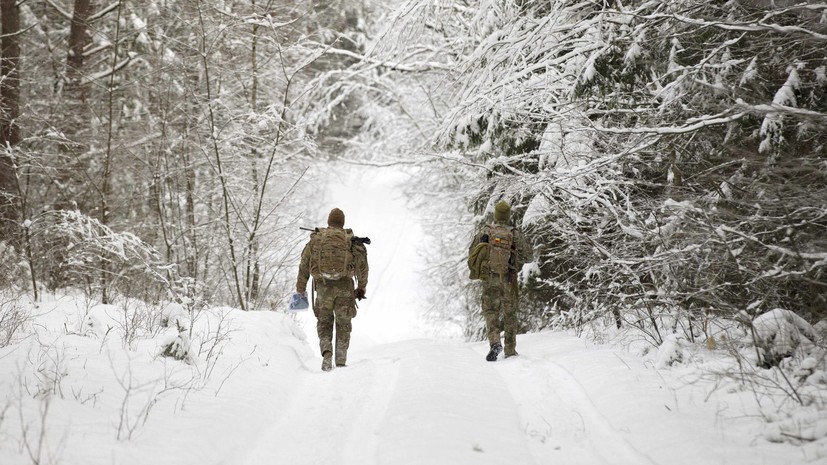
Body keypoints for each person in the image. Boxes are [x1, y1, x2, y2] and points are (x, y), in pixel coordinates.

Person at [296, 208, 369, 371]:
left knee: (324, 322)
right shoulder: (350, 240)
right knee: (343, 324)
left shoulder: (317, 240)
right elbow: (363, 268)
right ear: (342, 223)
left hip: (323, 288)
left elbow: (304, 265)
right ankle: (341, 361)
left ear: (329, 221)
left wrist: (300, 289)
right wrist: (361, 288)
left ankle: (327, 353)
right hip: (344, 288)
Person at [468, 200, 529, 361]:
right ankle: (509, 350)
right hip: (509, 278)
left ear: (495, 215)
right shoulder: (515, 233)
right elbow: (528, 256)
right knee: (510, 314)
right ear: (508, 216)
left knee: (490, 311)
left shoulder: (485, 231)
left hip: (489, 278)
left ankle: (494, 342)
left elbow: (472, 251)